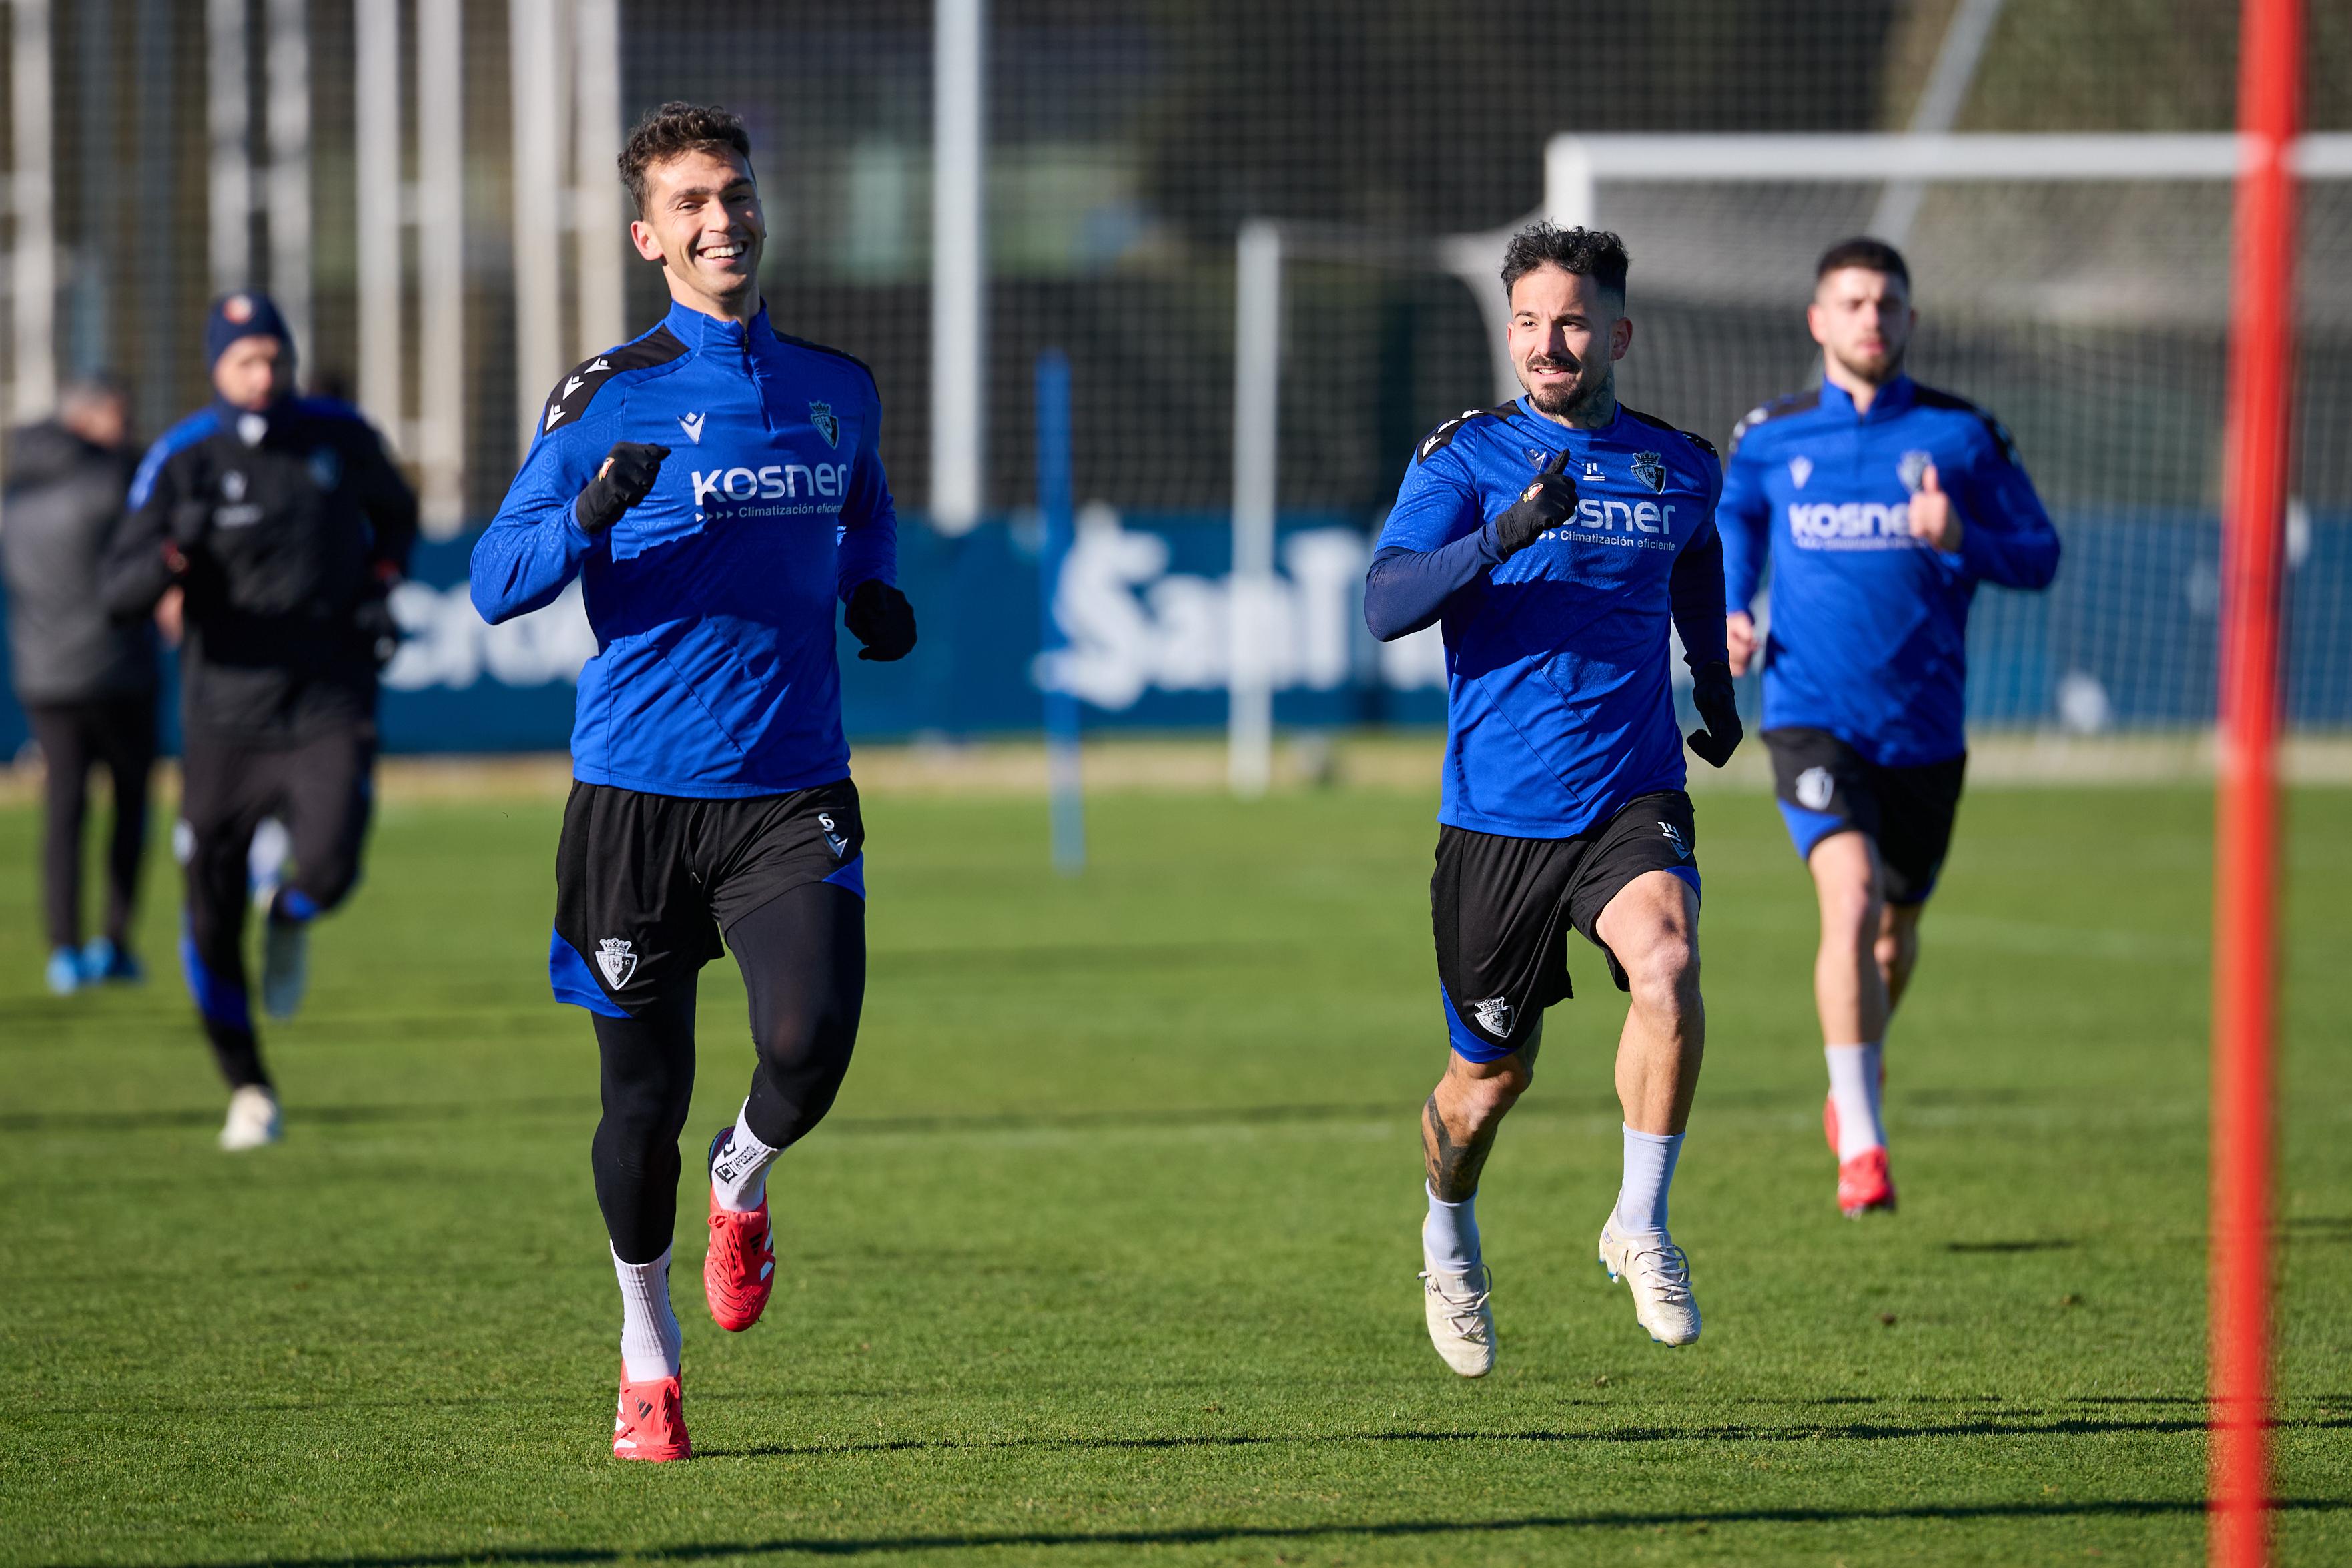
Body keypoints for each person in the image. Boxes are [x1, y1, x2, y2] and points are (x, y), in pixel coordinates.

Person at [471, 102, 917, 1464]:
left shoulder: (836, 384)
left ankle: (748, 1174)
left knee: (806, 1039)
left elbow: (866, 503)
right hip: (634, 800)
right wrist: (589, 510)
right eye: (690, 204)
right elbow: (496, 583)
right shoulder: (603, 394)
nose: (720, 220)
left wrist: (873, 584)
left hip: (789, 786)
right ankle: (643, 1346)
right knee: (636, 1102)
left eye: (733, 194)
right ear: (647, 235)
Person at [1364, 223, 1743, 1375]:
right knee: (1486, 1086)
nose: (1548, 342)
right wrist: (1505, 533)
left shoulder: (1678, 464)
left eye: (1572, 321)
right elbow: (1384, 605)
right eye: (1528, 321)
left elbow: (1697, 563)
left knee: (1669, 968)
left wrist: (1717, 699)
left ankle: (1640, 1221)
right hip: (1496, 822)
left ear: (1617, 333)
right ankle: (1448, 1240)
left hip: (1631, 794)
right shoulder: (1465, 459)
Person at [1717, 238, 2060, 1218]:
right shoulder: (1771, 437)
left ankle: (1848, 1082)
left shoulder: (1960, 437)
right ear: (1818, 320)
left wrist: (1963, 538)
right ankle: (1863, 1147)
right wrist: (1736, 606)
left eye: (1888, 303)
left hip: (1925, 733)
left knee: (1891, 940)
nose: (1872, 318)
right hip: (1809, 718)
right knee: (1851, 897)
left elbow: (2039, 554)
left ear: (1909, 320)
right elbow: (1736, 520)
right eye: (1854, 302)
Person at [103, 292, 417, 1151]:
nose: (264, 374)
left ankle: (292, 914)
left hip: (328, 699)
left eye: (275, 357)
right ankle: (247, 1085)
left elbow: (398, 513)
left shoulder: (337, 436)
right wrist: (176, 551)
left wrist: (382, 581)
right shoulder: (182, 459)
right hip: (224, 721)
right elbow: (119, 592)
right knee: (206, 912)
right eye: (246, 360)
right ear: (216, 367)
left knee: (331, 859)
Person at [2, 375, 155, 993]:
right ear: (89, 419)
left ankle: (64, 949)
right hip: (116, 665)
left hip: (43, 671)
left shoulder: (17, 490)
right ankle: (114, 942)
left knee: (63, 811)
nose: (127, 428)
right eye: (117, 416)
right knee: (128, 806)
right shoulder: (116, 481)